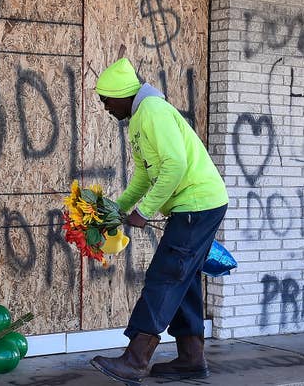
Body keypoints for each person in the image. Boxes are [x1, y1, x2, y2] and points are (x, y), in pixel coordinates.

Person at [88, 58, 229, 386]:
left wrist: (145, 211)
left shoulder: (153, 111)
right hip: (195, 206)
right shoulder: (138, 118)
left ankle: (136, 361)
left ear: (122, 94)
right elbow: (144, 175)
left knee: (165, 276)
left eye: (106, 99)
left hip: (198, 204)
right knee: (185, 279)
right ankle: (192, 360)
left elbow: (175, 165)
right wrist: (117, 208)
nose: (105, 106)